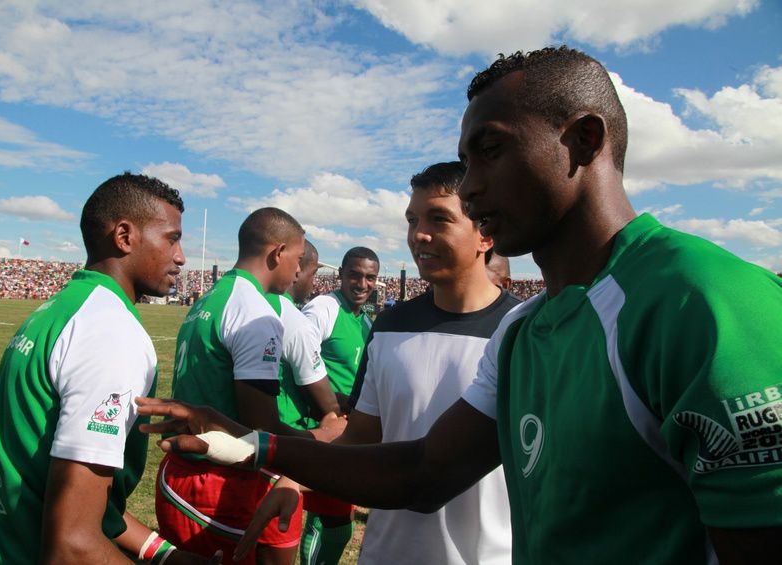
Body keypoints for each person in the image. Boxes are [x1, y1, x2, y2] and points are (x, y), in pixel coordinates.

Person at [137, 46, 782, 564]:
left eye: (491, 151)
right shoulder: (527, 331)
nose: (472, 186)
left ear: (584, 142)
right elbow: (423, 469)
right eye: (466, 161)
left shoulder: (705, 301)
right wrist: (258, 447)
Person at [241, 161, 519, 563]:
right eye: (412, 220)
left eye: (439, 218)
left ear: (485, 233)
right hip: (385, 554)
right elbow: (361, 436)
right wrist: (293, 479)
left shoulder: (520, 331)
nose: (419, 234)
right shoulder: (389, 326)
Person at [0, 173, 218, 564]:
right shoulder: (110, 332)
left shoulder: (59, 309)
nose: (181, 256)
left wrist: (164, 554)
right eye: (172, 238)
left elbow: (81, 500)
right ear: (124, 236)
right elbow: (72, 544)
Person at [155, 208, 343, 565]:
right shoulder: (255, 312)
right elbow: (263, 430)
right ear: (277, 254)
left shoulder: (215, 296)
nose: (298, 271)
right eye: (298, 259)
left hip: (182, 470)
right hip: (222, 484)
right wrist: (324, 436)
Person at [298, 246, 379, 564]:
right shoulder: (324, 308)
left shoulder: (365, 321)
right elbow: (297, 359)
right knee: (329, 522)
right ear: (341, 275)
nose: (362, 283)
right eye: (355, 275)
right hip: (327, 429)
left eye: (370, 277)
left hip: (351, 431)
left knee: (335, 523)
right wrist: (330, 406)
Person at [273, 239, 341, 432]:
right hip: (287, 433)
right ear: (297, 270)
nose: (313, 282)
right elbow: (326, 405)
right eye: (313, 274)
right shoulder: (297, 323)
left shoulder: (255, 303)